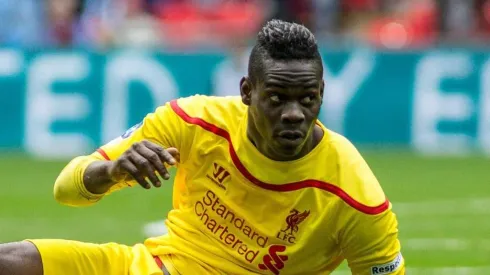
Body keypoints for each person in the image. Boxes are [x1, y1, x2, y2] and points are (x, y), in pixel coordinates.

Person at [0, 19, 404, 275]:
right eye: (278, 98)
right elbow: (65, 190)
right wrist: (111, 171)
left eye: (308, 99)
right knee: (12, 260)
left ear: (322, 94)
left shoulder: (354, 193)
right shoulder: (195, 120)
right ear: (247, 91)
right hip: (159, 267)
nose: (295, 114)